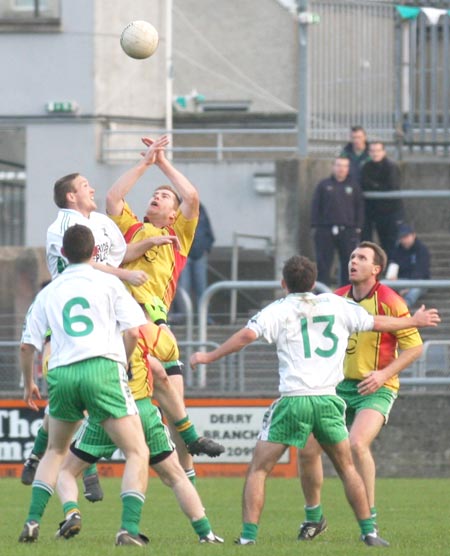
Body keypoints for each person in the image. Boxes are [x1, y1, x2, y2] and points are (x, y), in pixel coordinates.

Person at [189, 254, 439, 547]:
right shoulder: (336, 304)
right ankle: (369, 531)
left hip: (294, 400)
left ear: (284, 284)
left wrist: (208, 355)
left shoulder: (279, 309)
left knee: (259, 468)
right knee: (346, 467)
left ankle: (248, 538)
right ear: (313, 282)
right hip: (328, 401)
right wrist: (414, 320)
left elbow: (246, 335)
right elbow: (376, 323)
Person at [18, 224, 150, 545]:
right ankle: (127, 530)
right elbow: (133, 331)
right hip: (102, 367)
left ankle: (33, 521)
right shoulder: (108, 282)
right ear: (94, 252)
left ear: (63, 254)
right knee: (136, 451)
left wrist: (28, 384)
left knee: (55, 450)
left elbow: (26, 346)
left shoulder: (48, 291)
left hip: (62, 373)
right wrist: (124, 362)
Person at [106, 135, 225, 481]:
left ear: (174, 214)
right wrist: (144, 163)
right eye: (155, 195)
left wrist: (163, 162)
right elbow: (114, 197)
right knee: (130, 395)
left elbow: (192, 196)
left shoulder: (179, 237)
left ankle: (187, 472)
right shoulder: (131, 229)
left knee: (176, 407)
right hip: (132, 327)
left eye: (165, 197)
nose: (158, 197)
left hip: (158, 327)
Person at [297, 241, 426, 541]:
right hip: (338, 387)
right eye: (353, 256)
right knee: (307, 450)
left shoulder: (390, 301)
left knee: (356, 444)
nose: (353, 261)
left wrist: (383, 374)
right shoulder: (336, 298)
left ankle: (370, 524)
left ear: (376, 269)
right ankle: (314, 518)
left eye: (362, 258)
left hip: (376, 387)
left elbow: (415, 347)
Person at [54, 324, 223, 544]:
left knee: (66, 471)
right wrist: (162, 327)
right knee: (176, 476)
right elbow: (165, 363)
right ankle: (205, 533)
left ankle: (72, 512)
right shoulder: (141, 330)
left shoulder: (92, 332)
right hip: (142, 409)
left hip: (105, 409)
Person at [311, 157, 364, 286]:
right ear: (333, 167)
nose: (341, 169)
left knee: (349, 263)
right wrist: (315, 226)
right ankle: (322, 293)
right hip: (325, 230)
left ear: (348, 168)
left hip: (348, 230)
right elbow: (315, 206)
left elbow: (360, 207)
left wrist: (358, 226)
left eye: (345, 166)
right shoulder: (324, 185)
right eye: (339, 165)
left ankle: (346, 294)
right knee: (323, 263)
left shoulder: (354, 186)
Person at [172, 202, 215, 321]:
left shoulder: (201, 209)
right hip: (183, 255)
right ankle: (185, 317)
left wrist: (207, 247)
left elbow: (208, 231)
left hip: (200, 254)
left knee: (202, 287)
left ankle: (205, 317)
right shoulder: (177, 209)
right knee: (183, 287)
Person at [360, 141, 404, 258]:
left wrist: (374, 186)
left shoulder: (391, 166)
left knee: (390, 243)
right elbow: (364, 183)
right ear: (369, 152)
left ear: (384, 152)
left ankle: (391, 273)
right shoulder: (366, 167)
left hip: (390, 212)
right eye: (372, 151)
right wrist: (378, 186)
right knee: (373, 244)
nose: (375, 154)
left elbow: (391, 186)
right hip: (374, 212)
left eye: (378, 150)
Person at [387, 223, 431, 310]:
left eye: (406, 237)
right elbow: (393, 264)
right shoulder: (397, 250)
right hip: (402, 280)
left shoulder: (422, 250)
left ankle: (404, 305)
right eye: (402, 238)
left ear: (413, 235)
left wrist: (408, 287)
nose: (404, 240)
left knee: (415, 289)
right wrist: (392, 276)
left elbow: (421, 271)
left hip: (419, 281)